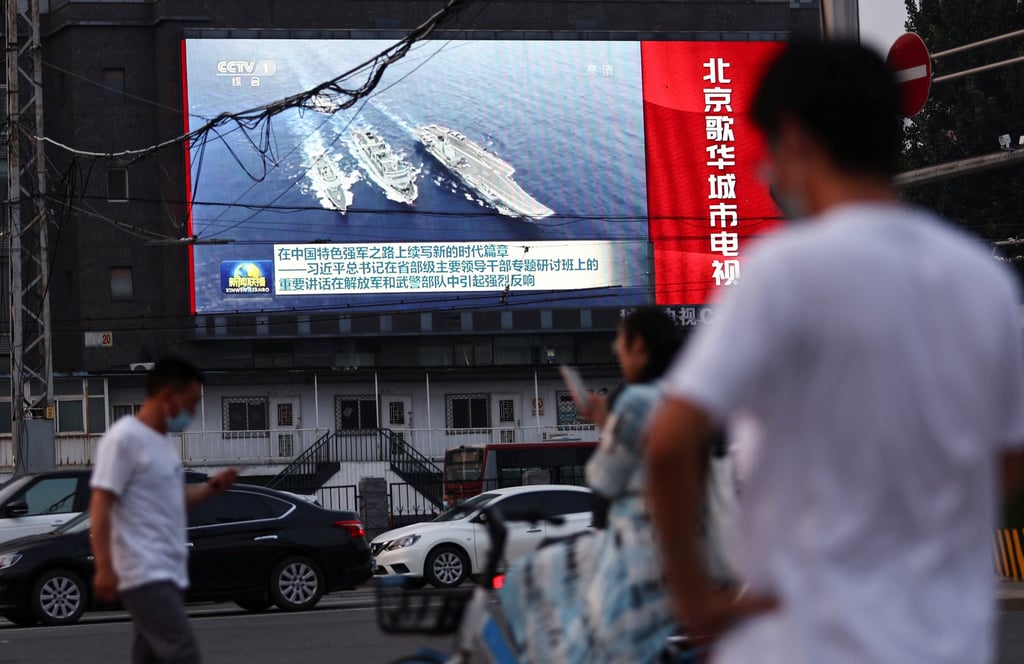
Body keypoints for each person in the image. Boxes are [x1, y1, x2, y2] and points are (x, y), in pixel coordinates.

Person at [645, 40, 1024, 664]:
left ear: (794, 137)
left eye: (767, 153)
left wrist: (699, 603)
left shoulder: (782, 274)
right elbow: (1005, 461)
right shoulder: (982, 279)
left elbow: (668, 445)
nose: (769, 175)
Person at [498, 307, 682, 664]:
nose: (616, 349)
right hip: (667, 540)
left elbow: (603, 477)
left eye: (620, 342)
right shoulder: (677, 396)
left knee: (527, 580)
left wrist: (606, 425)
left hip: (635, 545)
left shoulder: (635, 400)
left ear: (639, 345)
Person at [90, 357, 238, 664]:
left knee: (152, 657)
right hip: (145, 572)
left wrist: (211, 488)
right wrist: (104, 567)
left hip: (166, 572)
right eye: (191, 402)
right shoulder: (124, 438)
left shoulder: (163, 442)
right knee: (183, 655)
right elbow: (101, 502)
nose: (193, 412)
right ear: (169, 395)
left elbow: (174, 498)